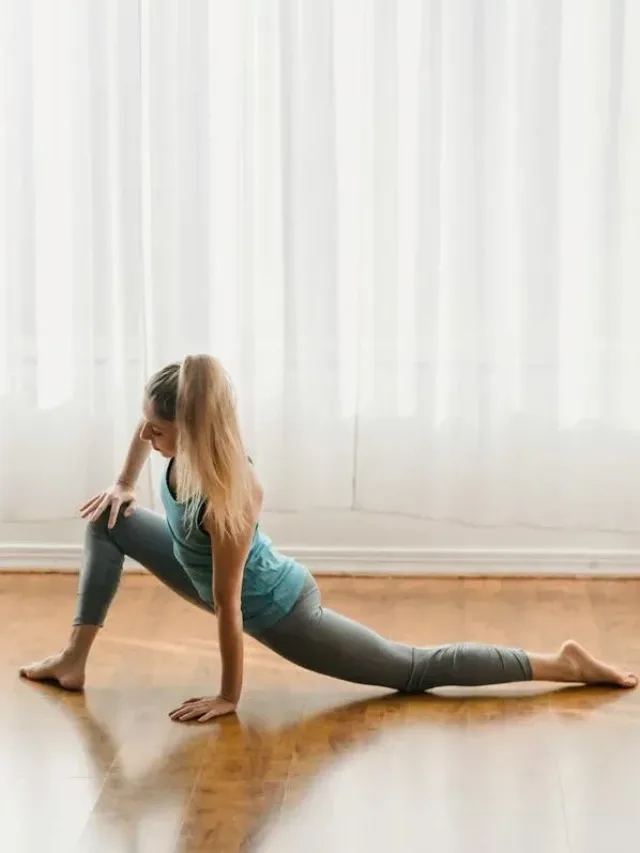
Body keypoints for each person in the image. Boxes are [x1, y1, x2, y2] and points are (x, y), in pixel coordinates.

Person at [19, 355, 637, 722]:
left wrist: (230, 696)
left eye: (158, 432)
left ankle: (562, 662)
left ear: (194, 430)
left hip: (277, 610)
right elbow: (140, 427)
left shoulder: (232, 498)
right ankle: (74, 661)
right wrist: (125, 483)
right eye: (148, 426)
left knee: (412, 670)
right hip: (200, 576)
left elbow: (231, 606)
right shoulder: (171, 433)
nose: (148, 438)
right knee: (106, 518)